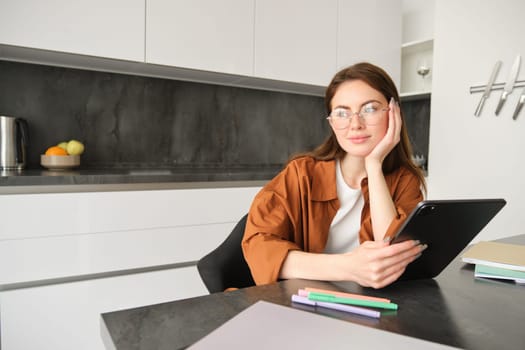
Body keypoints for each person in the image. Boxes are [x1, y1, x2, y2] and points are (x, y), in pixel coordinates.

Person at [242, 62, 427, 289]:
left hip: (370, 307)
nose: (355, 124)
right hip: (304, 305)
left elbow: (391, 258)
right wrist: (349, 266)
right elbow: (258, 246)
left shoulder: (404, 180)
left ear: (394, 113)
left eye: (369, 109)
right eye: (342, 113)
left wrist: (374, 165)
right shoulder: (301, 175)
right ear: (331, 122)